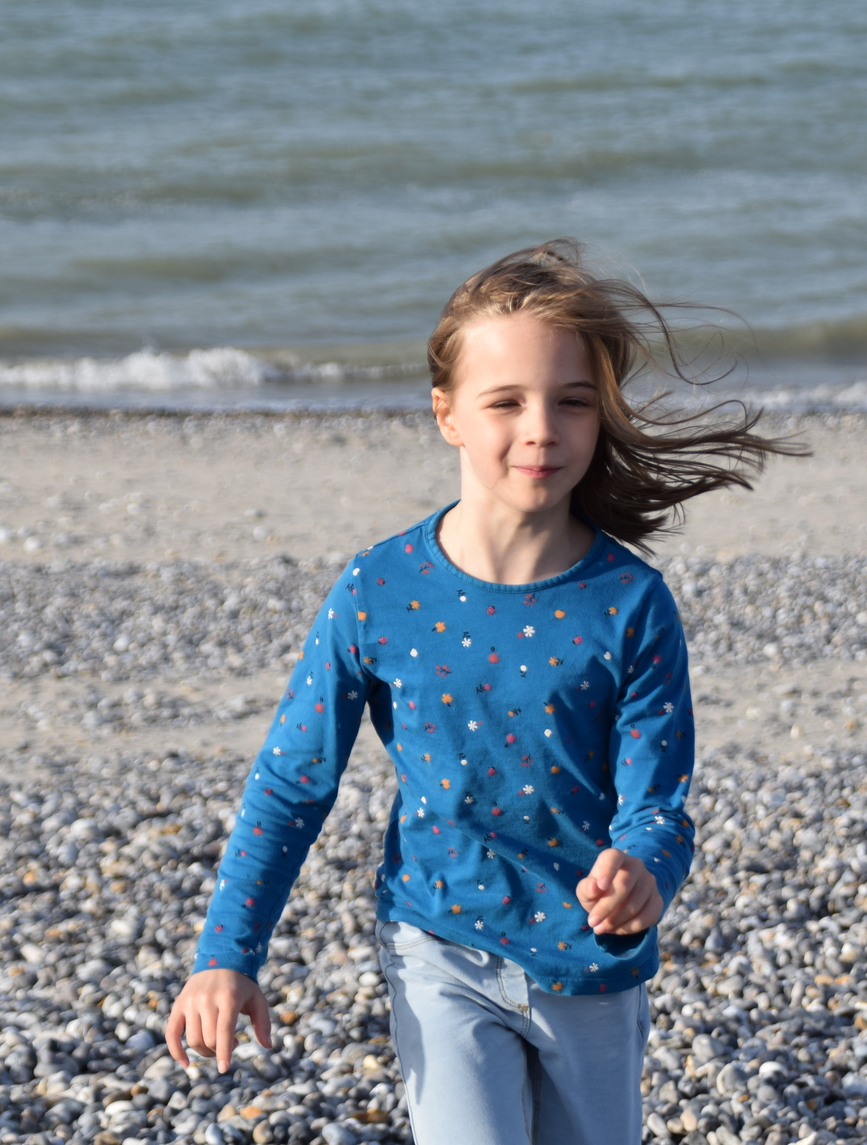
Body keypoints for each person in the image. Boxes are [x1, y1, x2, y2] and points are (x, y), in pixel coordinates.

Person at [164, 241, 804, 1145]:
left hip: (591, 962)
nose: (541, 428)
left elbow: (659, 805)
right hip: (438, 945)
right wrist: (226, 956)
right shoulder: (379, 590)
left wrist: (645, 873)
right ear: (448, 414)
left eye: (572, 401)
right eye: (506, 401)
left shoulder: (631, 604)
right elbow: (292, 782)